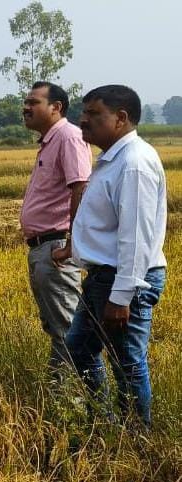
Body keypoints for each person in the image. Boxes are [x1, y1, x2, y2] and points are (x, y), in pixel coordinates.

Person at [57, 85, 168, 430]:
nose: (82, 120)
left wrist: (121, 297)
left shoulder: (134, 164)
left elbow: (135, 237)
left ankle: (136, 437)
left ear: (120, 118)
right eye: (84, 112)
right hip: (105, 276)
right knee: (79, 348)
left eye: (93, 114)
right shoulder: (112, 160)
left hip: (123, 278)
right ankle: (105, 421)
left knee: (127, 363)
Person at [19, 81, 93, 375]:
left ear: (56, 107)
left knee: (67, 329)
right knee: (58, 327)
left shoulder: (68, 137)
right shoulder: (50, 141)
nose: (26, 107)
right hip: (44, 247)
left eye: (33, 102)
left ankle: (73, 395)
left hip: (56, 247)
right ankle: (62, 390)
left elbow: (81, 188)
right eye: (26, 102)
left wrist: (72, 244)